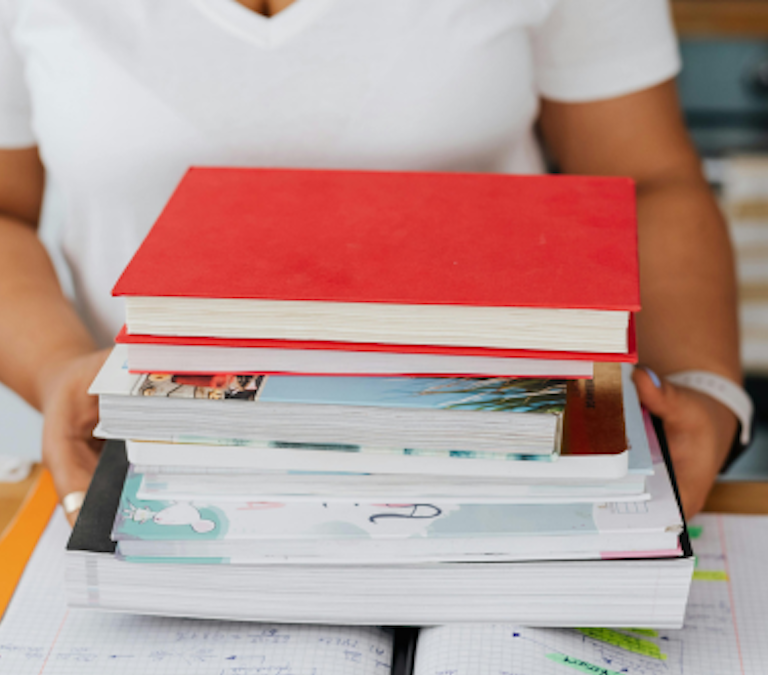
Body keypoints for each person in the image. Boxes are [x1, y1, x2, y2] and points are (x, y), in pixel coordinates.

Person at [0, 0, 746, 523]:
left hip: (508, 464)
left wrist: (706, 387)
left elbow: (648, 179)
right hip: (153, 462)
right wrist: (59, 365)